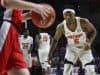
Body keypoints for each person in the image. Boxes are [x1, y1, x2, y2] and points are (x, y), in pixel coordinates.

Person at [0, 0, 50, 75]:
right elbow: (6, 2)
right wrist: (35, 7)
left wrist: (29, 15)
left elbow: (12, 16)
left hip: (13, 33)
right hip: (5, 29)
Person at [48, 8, 97, 75]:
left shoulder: (83, 22)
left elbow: (93, 31)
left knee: (91, 71)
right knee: (66, 72)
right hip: (71, 49)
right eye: (66, 15)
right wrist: (50, 54)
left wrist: (89, 42)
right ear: (63, 16)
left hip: (84, 48)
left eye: (70, 15)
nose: (68, 17)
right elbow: (55, 40)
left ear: (74, 15)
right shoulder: (61, 27)